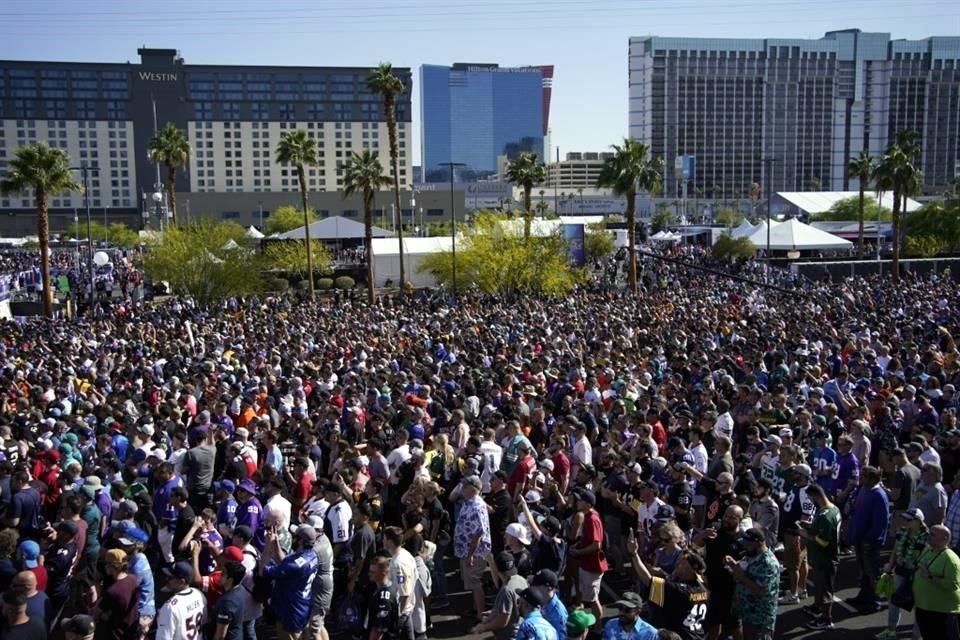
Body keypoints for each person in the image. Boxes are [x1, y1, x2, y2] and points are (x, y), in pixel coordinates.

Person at [626, 532, 708, 640]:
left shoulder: (679, 590)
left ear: (691, 569)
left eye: (683, 562)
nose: (679, 563)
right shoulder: (704, 590)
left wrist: (634, 554)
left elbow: (647, 580)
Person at [262, 524, 321, 640]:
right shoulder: (312, 555)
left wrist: (267, 546)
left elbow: (263, 570)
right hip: (302, 606)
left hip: (290, 611)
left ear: (301, 541)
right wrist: (276, 545)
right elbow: (286, 562)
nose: (293, 538)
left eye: (295, 537)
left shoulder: (296, 565)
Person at [878, 507, 928, 640]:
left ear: (918, 521)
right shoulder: (902, 531)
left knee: (919, 605)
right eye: (904, 518)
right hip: (900, 571)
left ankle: (916, 635)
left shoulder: (926, 536)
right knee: (894, 601)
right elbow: (895, 550)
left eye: (908, 519)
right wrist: (890, 564)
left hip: (917, 575)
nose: (905, 521)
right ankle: (891, 630)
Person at [846, 466, 890, 612]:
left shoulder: (879, 495)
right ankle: (864, 596)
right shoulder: (864, 489)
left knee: (872, 572)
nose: (861, 478)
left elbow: (881, 522)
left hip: (869, 541)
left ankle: (875, 601)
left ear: (873, 479)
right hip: (859, 537)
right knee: (863, 570)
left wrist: (871, 539)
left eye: (864, 476)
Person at [797, 483, 840, 631]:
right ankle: (817, 608)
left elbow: (823, 541)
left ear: (816, 496)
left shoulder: (825, 517)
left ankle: (826, 619)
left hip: (825, 559)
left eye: (811, 498)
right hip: (823, 558)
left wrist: (806, 534)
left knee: (825, 590)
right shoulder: (833, 509)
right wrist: (810, 525)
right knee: (820, 587)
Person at [725, 529, 779, 640]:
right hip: (747, 613)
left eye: (749, 544)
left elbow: (762, 591)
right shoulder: (750, 555)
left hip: (759, 619)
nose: (745, 546)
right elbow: (745, 572)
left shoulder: (768, 564)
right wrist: (733, 565)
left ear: (759, 542)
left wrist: (742, 577)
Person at [454, 475, 492, 622]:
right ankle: (476, 608)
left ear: (473, 489)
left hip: (475, 553)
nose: (462, 489)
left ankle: (480, 614)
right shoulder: (469, 502)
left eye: (465, 486)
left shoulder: (477, 506)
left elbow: (478, 534)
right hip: (466, 550)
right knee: (471, 581)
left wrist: (471, 555)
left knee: (475, 582)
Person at [912, 524, 960, 640]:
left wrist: (930, 577)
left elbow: (953, 585)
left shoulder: (951, 560)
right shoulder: (928, 550)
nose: (928, 536)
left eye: (932, 534)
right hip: (924, 607)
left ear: (944, 538)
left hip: (941, 612)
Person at [569, 487, 606, 628]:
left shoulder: (592, 519)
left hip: (593, 565)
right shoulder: (588, 516)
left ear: (589, 505)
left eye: (582, 500)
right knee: (586, 595)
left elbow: (597, 545)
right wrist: (578, 545)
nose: (578, 502)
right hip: (587, 563)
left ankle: (599, 627)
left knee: (593, 599)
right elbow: (587, 539)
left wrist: (578, 552)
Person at [471, 551, 527, 640]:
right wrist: (496, 610)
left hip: (509, 635)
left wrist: (483, 627)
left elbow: (502, 621)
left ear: (497, 568)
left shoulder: (506, 590)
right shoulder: (521, 580)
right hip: (521, 629)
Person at [93, 549, 141, 640]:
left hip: (116, 633)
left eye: (106, 564)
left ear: (111, 566)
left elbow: (99, 613)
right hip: (132, 629)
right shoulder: (134, 580)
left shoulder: (113, 591)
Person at [155, 561, 207, 640]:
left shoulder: (170, 607)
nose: (166, 579)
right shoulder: (199, 594)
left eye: (170, 577)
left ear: (182, 581)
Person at [382, 527, 416, 640]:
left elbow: (404, 593)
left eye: (384, 538)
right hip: (407, 611)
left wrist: (398, 617)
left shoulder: (398, 564)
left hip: (401, 613)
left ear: (390, 542)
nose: (383, 541)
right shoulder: (405, 554)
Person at [210, 562, 247, 640]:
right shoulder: (241, 590)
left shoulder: (227, 602)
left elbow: (220, 636)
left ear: (230, 580)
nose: (220, 575)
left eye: (223, 573)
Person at [366, 555, 400, 640]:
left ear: (384, 572)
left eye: (373, 572)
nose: (369, 574)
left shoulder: (384, 598)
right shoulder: (388, 587)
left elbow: (378, 630)